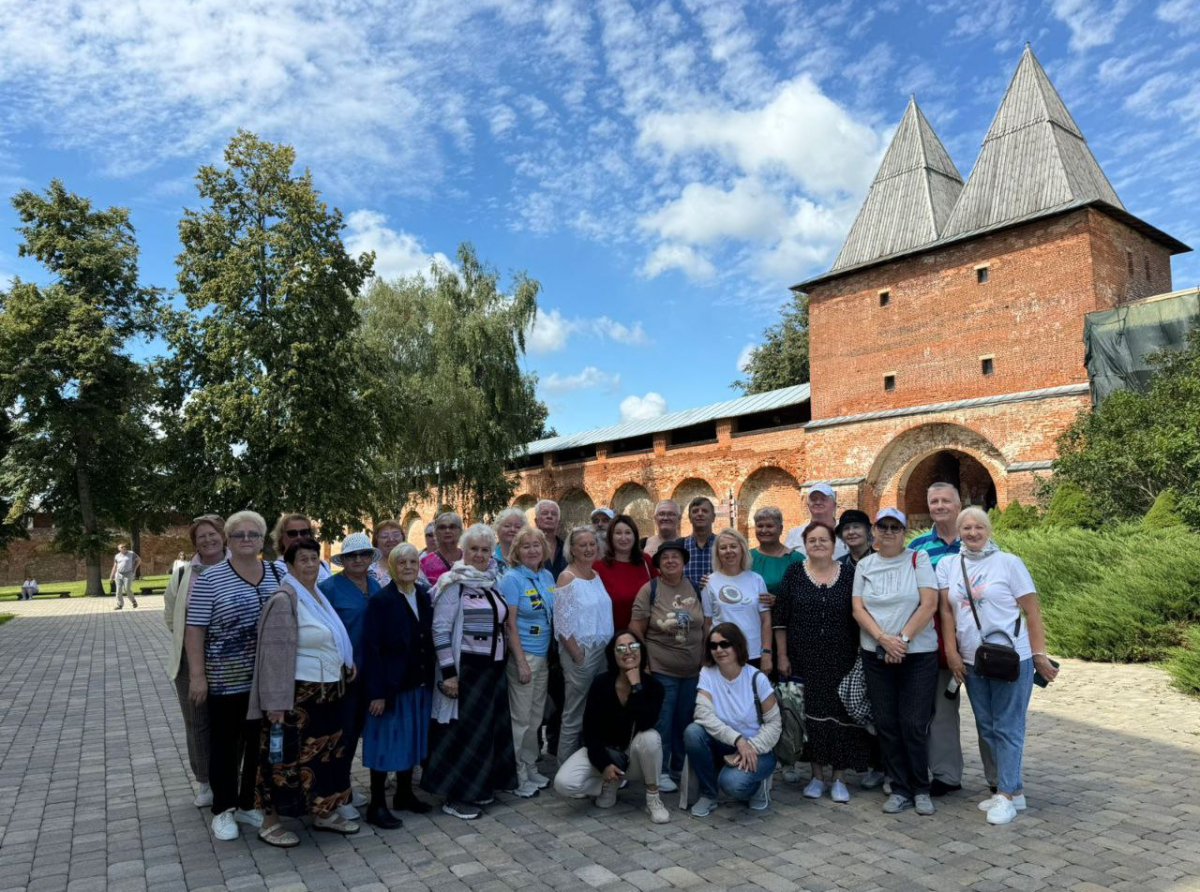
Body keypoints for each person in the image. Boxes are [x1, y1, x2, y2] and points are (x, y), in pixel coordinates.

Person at [938, 507, 1059, 825]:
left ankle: (1005, 795)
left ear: (988, 530)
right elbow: (947, 613)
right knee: (988, 726)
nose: (972, 533)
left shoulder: (1009, 563)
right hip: (971, 660)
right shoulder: (951, 565)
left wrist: (1039, 655)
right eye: (966, 527)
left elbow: (1032, 611)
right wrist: (951, 653)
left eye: (979, 527)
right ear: (959, 531)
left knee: (1008, 726)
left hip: (1010, 659)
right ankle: (1014, 792)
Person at [249, 539, 359, 847]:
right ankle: (270, 823)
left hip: (327, 694)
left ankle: (322, 812)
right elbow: (272, 655)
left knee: (324, 758)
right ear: (290, 565)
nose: (310, 564)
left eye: (314, 558)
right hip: (296, 698)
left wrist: (346, 662)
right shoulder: (285, 599)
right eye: (304, 560)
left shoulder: (316, 596)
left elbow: (332, 638)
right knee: (283, 760)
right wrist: (273, 704)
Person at [185, 511, 281, 842]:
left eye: (252, 534)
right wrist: (197, 675)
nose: (245, 540)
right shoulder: (211, 578)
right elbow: (194, 628)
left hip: (267, 680)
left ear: (262, 537)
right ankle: (223, 810)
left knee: (258, 744)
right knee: (225, 745)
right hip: (226, 679)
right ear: (228, 539)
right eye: (238, 535)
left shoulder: (277, 572)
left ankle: (246, 804)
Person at [422, 523, 518, 820]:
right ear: (465, 550)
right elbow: (439, 631)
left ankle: (481, 788)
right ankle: (456, 796)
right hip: (467, 671)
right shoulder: (453, 584)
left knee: (486, 733)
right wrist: (449, 674)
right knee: (463, 735)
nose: (479, 554)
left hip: (492, 669)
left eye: (485, 550)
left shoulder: (492, 580)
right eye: (474, 549)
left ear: (492, 553)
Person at [909, 482, 997, 797]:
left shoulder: (980, 540)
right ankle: (947, 774)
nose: (940, 506)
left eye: (947, 500)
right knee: (941, 711)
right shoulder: (918, 546)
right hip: (936, 644)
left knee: (987, 711)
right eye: (934, 501)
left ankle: (998, 777)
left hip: (978, 642)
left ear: (959, 504)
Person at [774, 522, 872, 803]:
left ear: (834, 544)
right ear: (804, 545)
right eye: (812, 540)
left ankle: (838, 777)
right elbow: (780, 619)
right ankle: (817, 775)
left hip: (841, 657)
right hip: (803, 658)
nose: (818, 544)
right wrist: (782, 655)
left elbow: (860, 613)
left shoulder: (850, 574)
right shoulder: (794, 573)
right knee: (811, 716)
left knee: (839, 717)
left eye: (823, 540)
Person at [851, 508, 940, 816]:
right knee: (887, 723)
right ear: (874, 531)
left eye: (895, 527)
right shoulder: (865, 565)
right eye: (882, 526)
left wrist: (901, 640)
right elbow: (858, 609)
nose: (888, 532)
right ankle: (899, 787)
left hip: (917, 655)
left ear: (904, 532)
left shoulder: (918, 559)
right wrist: (883, 640)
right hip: (877, 653)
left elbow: (929, 603)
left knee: (914, 723)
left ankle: (921, 787)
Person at [553, 630, 670, 823]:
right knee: (564, 783)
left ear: (641, 651)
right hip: (604, 752)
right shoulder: (601, 684)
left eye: (633, 646)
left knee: (651, 737)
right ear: (613, 655)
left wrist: (636, 687)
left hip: (634, 757)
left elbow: (645, 721)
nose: (628, 652)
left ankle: (653, 799)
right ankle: (609, 783)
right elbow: (590, 730)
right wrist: (604, 764)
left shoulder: (654, 687)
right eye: (621, 648)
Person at [361, 543, 435, 829]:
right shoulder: (381, 601)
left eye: (413, 562)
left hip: (417, 683)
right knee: (384, 743)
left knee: (413, 739)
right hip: (391, 687)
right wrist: (376, 692)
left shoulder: (424, 595)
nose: (407, 567)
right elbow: (371, 648)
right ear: (392, 566)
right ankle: (376, 803)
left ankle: (404, 793)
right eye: (401, 562)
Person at [628, 539, 703, 794]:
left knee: (685, 721)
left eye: (676, 557)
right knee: (663, 722)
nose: (671, 561)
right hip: (662, 668)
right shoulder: (649, 590)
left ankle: (678, 768)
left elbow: (705, 625)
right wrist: (644, 661)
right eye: (665, 557)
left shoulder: (695, 587)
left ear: (683, 562)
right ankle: (659, 771)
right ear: (658, 563)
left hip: (693, 670)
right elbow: (636, 628)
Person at [684, 623, 781, 816]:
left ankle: (757, 786)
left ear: (737, 645)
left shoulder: (757, 678)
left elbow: (775, 724)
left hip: (759, 749)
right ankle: (709, 795)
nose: (719, 650)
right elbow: (703, 714)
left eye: (724, 644)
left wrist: (750, 747)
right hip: (727, 743)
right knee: (693, 732)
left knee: (732, 783)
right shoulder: (707, 674)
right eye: (713, 646)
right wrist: (738, 740)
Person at [163, 514, 226, 808]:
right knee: (197, 724)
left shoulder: (238, 566)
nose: (208, 540)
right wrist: (195, 643)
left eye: (213, 534)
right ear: (194, 542)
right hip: (191, 661)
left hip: (233, 659)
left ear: (223, 536)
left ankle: (232, 777)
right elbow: (170, 615)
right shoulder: (183, 574)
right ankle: (204, 782)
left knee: (232, 722)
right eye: (201, 536)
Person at [321, 532, 382, 820]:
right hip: (345, 673)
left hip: (373, 672)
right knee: (342, 734)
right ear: (342, 560)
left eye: (364, 555)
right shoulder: (330, 588)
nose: (358, 560)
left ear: (371, 558)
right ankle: (339, 792)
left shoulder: (376, 584)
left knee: (359, 732)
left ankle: (346, 786)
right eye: (352, 556)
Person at [498, 525, 556, 796]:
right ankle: (517, 773)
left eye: (536, 545)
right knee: (520, 719)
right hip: (524, 656)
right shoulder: (512, 579)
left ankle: (530, 765)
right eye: (526, 546)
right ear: (516, 552)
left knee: (535, 717)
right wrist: (520, 662)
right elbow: (509, 624)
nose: (532, 550)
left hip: (543, 656)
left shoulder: (546, 575)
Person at [555, 525, 615, 763]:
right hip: (580, 652)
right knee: (574, 712)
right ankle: (564, 765)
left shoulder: (595, 575)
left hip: (601, 651)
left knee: (595, 710)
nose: (589, 549)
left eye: (592, 544)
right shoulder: (567, 577)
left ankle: (589, 762)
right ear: (573, 549)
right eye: (583, 545)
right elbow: (562, 624)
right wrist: (577, 655)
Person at [702, 529, 772, 674]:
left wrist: (766, 652)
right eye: (723, 548)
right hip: (723, 654)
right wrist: (707, 654)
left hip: (753, 653)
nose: (729, 551)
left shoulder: (756, 579)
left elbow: (766, 620)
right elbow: (707, 623)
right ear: (717, 553)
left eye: (733, 546)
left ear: (742, 549)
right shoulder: (709, 582)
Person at [594, 514, 656, 631]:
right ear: (611, 537)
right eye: (618, 533)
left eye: (628, 533)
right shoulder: (598, 567)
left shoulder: (646, 561)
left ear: (635, 536)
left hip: (648, 635)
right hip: (614, 637)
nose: (623, 538)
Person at [749, 507, 805, 600]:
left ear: (781, 528)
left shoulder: (796, 559)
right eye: (760, 526)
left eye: (769, 526)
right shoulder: (746, 557)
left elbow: (805, 595)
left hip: (785, 614)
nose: (764, 530)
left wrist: (779, 601)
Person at [784, 484, 849, 559]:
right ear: (808, 505)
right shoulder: (794, 534)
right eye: (814, 499)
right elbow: (786, 563)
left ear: (834, 505)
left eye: (823, 499)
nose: (818, 502)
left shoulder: (847, 532)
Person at [270, 514, 333, 583]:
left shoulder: (323, 565)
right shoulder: (274, 569)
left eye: (304, 532)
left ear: (311, 535)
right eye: (292, 533)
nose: (299, 537)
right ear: (281, 538)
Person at [420, 512, 464, 586]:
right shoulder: (425, 563)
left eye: (452, 527)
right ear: (436, 533)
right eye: (442, 528)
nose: (447, 531)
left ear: (460, 531)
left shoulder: (469, 558)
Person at [682, 497, 716, 591]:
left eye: (705, 511)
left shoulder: (722, 545)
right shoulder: (681, 546)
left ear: (713, 517)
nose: (700, 514)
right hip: (688, 603)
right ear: (689, 518)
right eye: (695, 511)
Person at [535, 499, 567, 578]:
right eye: (545, 513)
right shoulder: (528, 548)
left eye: (554, 514)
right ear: (536, 521)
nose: (549, 516)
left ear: (558, 522)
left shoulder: (568, 548)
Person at [493, 507, 527, 579]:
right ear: (497, 528)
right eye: (507, 526)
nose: (512, 530)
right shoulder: (488, 556)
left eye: (517, 527)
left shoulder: (529, 556)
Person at [368, 520, 405, 587]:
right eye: (385, 536)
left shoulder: (412, 566)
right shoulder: (369, 571)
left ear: (403, 538)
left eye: (396, 535)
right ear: (376, 541)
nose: (391, 539)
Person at [110, 542, 141, 609]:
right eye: (121, 547)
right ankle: (120, 605)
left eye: (124, 547)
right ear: (119, 549)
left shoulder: (131, 553)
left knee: (127, 589)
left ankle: (133, 601)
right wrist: (112, 575)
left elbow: (139, 560)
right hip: (118, 574)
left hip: (128, 574)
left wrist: (134, 569)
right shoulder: (117, 556)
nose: (123, 548)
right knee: (118, 590)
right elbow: (115, 566)